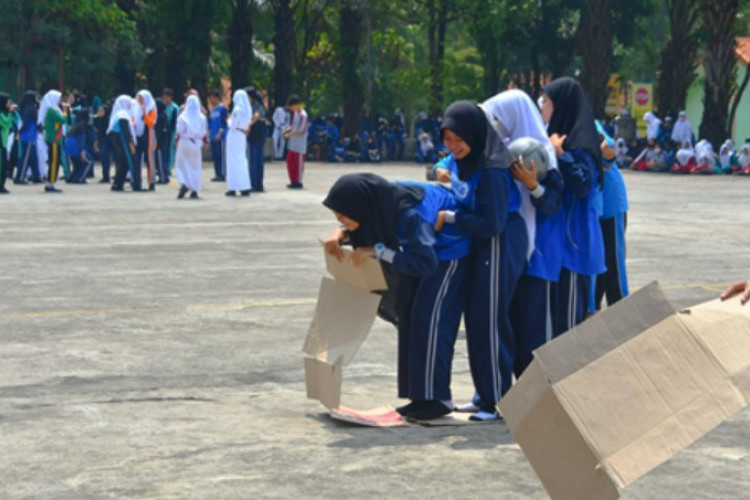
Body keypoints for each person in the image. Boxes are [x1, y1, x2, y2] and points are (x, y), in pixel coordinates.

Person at [323, 173, 471, 421]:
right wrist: (343, 232)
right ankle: (420, 396)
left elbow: (426, 263)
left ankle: (439, 399)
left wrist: (379, 251)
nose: (340, 218)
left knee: (429, 322)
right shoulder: (378, 204)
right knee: (409, 318)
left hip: (448, 253)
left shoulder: (411, 215)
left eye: (344, 214)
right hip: (426, 251)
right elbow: (370, 222)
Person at [434, 100, 527, 421]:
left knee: (490, 318)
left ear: (474, 133)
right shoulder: (466, 161)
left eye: (458, 139)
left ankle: (498, 400)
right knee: (477, 318)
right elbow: (440, 170)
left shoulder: (491, 170)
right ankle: (484, 393)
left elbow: (493, 223)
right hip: (482, 244)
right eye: (447, 140)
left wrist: (450, 217)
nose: (453, 146)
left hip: (499, 242)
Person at [477, 89, 564, 378]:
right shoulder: (498, 149)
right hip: (510, 246)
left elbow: (552, 203)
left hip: (539, 250)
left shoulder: (541, 153)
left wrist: (532, 184)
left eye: (498, 120)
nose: (495, 127)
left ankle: (535, 394)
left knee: (534, 328)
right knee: (508, 319)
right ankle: (508, 391)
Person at [540, 76, 605, 335]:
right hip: (554, 244)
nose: (542, 106)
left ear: (562, 105)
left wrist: (561, 155)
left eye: (547, 101)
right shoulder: (550, 137)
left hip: (574, 242)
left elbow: (583, 184)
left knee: (567, 327)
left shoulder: (582, 143)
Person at [592, 121, 629, 311]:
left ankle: (623, 312)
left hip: (610, 202)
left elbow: (607, 146)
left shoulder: (583, 120)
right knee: (595, 266)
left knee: (613, 263)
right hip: (592, 206)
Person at [175, 95, 207, 199]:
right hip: (197, 142)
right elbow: (204, 132)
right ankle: (194, 189)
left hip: (185, 141)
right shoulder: (202, 117)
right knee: (195, 166)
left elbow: (179, 130)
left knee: (181, 164)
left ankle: (184, 183)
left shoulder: (183, 116)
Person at [108, 95, 139, 192]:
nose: (130, 105)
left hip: (119, 140)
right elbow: (126, 131)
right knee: (133, 161)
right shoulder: (122, 115)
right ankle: (137, 185)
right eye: (128, 103)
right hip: (123, 141)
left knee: (124, 163)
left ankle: (118, 184)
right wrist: (131, 144)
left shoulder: (119, 114)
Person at [225, 89, 252, 197]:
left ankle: (233, 187)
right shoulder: (247, 109)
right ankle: (244, 186)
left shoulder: (237, 109)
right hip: (242, 134)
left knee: (232, 161)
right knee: (242, 160)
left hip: (234, 135)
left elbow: (232, 125)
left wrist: (228, 120)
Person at [39, 90, 65, 193]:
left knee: (55, 161)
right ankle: (51, 184)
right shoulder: (53, 110)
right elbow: (63, 120)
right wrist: (66, 111)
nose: (60, 101)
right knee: (54, 162)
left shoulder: (53, 110)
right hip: (54, 140)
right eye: (58, 98)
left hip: (55, 139)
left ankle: (51, 183)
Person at [15, 91, 41, 185]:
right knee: (25, 158)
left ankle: (36, 176)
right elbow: (26, 122)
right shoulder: (30, 109)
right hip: (29, 136)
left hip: (29, 136)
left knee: (33, 157)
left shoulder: (26, 107)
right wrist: (20, 132)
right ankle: (20, 177)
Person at [64, 107, 94, 184]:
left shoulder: (75, 124)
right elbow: (81, 140)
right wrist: (82, 151)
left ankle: (72, 177)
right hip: (76, 147)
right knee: (89, 162)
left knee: (77, 165)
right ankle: (80, 178)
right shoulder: (82, 125)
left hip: (68, 147)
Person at [284, 94, 308, 189]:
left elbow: (301, 130)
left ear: (297, 104)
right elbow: (293, 126)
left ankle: (298, 181)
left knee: (298, 163)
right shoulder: (296, 114)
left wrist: (289, 135)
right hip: (293, 143)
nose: (291, 109)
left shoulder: (303, 115)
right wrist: (287, 130)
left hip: (299, 144)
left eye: (292, 106)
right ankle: (293, 180)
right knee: (290, 161)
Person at [136, 90, 158, 190]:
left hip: (149, 134)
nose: (139, 100)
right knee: (138, 158)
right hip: (138, 135)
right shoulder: (136, 108)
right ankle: (137, 181)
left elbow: (151, 123)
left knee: (150, 159)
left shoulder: (152, 109)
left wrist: (144, 113)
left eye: (141, 98)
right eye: (138, 98)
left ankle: (151, 181)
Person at [247, 87, 267, 192]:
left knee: (254, 161)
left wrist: (247, 126)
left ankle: (254, 184)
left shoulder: (255, 106)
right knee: (258, 161)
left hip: (255, 136)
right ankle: (258, 184)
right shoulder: (260, 105)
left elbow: (256, 116)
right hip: (260, 136)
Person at [207, 89, 228, 182]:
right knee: (215, 156)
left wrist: (220, 133)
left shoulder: (222, 109)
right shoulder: (212, 111)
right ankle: (217, 173)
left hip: (221, 137)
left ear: (216, 98)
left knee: (221, 156)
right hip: (213, 136)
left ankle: (223, 174)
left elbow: (225, 122)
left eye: (211, 98)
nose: (210, 101)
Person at [94, 103, 113, 183]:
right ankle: (105, 176)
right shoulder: (98, 120)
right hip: (102, 140)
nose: (99, 112)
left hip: (108, 140)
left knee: (105, 157)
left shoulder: (108, 120)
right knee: (103, 158)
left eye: (101, 111)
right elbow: (99, 132)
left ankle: (106, 176)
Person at [162, 88, 179, 175]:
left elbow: (176, 121)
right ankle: (163, 167)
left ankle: (169, 168)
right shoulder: (162, 106)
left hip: (172, 131)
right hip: (163, 131)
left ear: (170, 97)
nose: (165, 98)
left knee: (171, 149)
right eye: (164, 96)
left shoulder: (175, 107)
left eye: (166, 96)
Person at [154, 98, 171, 184]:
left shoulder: (160, 116)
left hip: (160, 142)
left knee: (160, 160)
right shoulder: (164, 115)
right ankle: (164, 176)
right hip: (164, 141)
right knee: (163, 159)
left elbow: (159, 130)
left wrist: (155, 140)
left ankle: (163, 177)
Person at [0, 93, 12, 193]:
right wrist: (10, 113)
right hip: (1, 144)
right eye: (8, 101)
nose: (10, 103)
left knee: (4, 165)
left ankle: (2, 185)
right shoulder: (1, 114)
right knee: (1, 165)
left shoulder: (4, 112)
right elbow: (6, 123)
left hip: (3, 144)